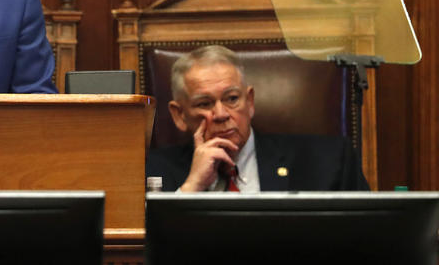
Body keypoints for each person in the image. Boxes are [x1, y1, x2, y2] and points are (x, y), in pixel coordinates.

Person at [146, 44, 368, 192]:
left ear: (250, 101)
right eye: (204, 104)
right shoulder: (153, 171)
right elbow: (143, 253)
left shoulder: (329, 162)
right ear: (180, 115)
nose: (221, 115)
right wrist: (191, 187)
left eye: (232, 98)